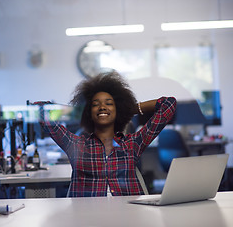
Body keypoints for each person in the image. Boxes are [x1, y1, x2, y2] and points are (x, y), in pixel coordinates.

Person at [39, 71, 176, 197]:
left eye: (109, 104)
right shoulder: (76, 145)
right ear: (88, 112)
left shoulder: (132, 143)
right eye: (95, 104)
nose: (102, 107)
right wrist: (78, 111)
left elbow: (168, 104)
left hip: (129, 214)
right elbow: (40, 109)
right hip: (86, 216)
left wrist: (128, 109)